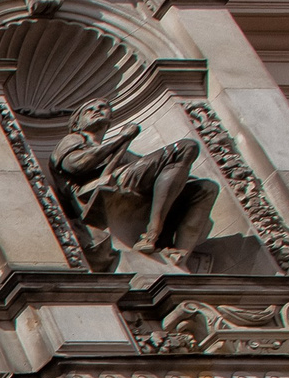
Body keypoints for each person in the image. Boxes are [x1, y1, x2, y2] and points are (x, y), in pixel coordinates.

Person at [51, 99, 217, 267]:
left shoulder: (122, 153)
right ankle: (152, 234)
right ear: (77, 124)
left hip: (122, 179)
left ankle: (179, 257)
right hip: (95, 189)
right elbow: (76, 164)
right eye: (89, 110)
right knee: (186, 147)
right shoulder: (73, 139)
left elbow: (160, 167)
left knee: (205, 188)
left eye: (102, 107)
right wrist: (122, 137)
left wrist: (183, 179)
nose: (97, 110)